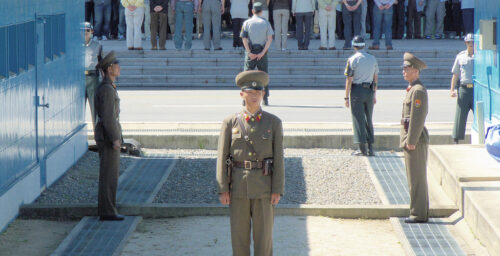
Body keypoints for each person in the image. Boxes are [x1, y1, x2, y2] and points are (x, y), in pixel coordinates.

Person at [216, 70, 285, 256]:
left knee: (264, 240)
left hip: (264, 187)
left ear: (263, 94)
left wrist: (277, 189)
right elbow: (222, 157)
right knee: (239, 239)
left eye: (259, 92)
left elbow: (279, 158)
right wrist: (223, 188)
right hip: (238, 187)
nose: (255, 96)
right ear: (242, 94)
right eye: (251, 92)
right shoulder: (230, 122)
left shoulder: (273, 123)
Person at [94, 51, 124, 221]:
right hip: (107, 137)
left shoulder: (108, 86)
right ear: (109, 69)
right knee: (108, 175)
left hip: (107, 135)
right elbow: (109, 117)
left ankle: (109, 209)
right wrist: (115, 138)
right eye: (116, 65)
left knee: (111, 174)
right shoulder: (106, 89)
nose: (119, 68)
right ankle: (107, 211)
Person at [400, 52, 429, 224]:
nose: (404, 71)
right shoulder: (413, 89)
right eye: (403, 68)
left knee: (417, 179)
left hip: (415, 141)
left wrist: (411, 141)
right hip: (412, 139)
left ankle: (418, 214)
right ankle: (418, 211)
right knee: (414, 178)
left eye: (407, 68)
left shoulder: (418, 90)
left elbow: (418, 118)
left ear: (416, 71)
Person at [344, 36, 378, 156]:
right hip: (369, 90)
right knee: (369, 118)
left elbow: (349, 79)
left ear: (354, 46)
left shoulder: (352, 59)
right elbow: (375, 77)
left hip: (357, 90)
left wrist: (346, 96)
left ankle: (361, 148)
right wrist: (374, 93)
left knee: (358, 119)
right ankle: (370, 147)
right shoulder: (372, 58)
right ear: (364, 45)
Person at [241, 2, 274, 105]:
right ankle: (265, 99)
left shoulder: (246, 23)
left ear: (252, 11)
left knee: (247, 76)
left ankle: (244, 99)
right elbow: (269, 39)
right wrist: (263, 52)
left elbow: (244, 38)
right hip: (261, 52)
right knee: (264, 76)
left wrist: (249, 52)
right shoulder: (265, 23)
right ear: (261, 12)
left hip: (251, 52)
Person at [450, 33, 474, 144]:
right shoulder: (461, 56)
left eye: (473, 42)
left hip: (476, 88)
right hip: (464, 88)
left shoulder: (480, 56)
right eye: (469, 42)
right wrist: (452, 90)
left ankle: (482, 136)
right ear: (465, 43)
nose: (471, 44)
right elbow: (455, 74)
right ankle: (457, 138)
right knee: (460, 114)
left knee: (480, 114)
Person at [83, 22, 103, 130]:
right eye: (82, 31)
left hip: (92, 78)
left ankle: (98, 136)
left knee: (95, 109)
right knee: (78, 109)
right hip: (79, 78)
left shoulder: (97, 46)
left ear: (91, 32)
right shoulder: (74, 45)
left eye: (87, 30)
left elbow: (102, 64)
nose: (85, 33)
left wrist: (106, 82)